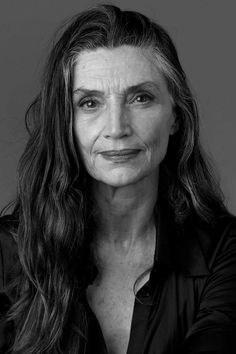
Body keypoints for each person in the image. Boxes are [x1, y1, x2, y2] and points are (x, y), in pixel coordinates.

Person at [0, 3, 236, 354]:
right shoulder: (7, 253)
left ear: (175, 116)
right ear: (65, 123)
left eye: (141, 98)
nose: (116, 129)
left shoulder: (224, 251)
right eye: (89, 103)